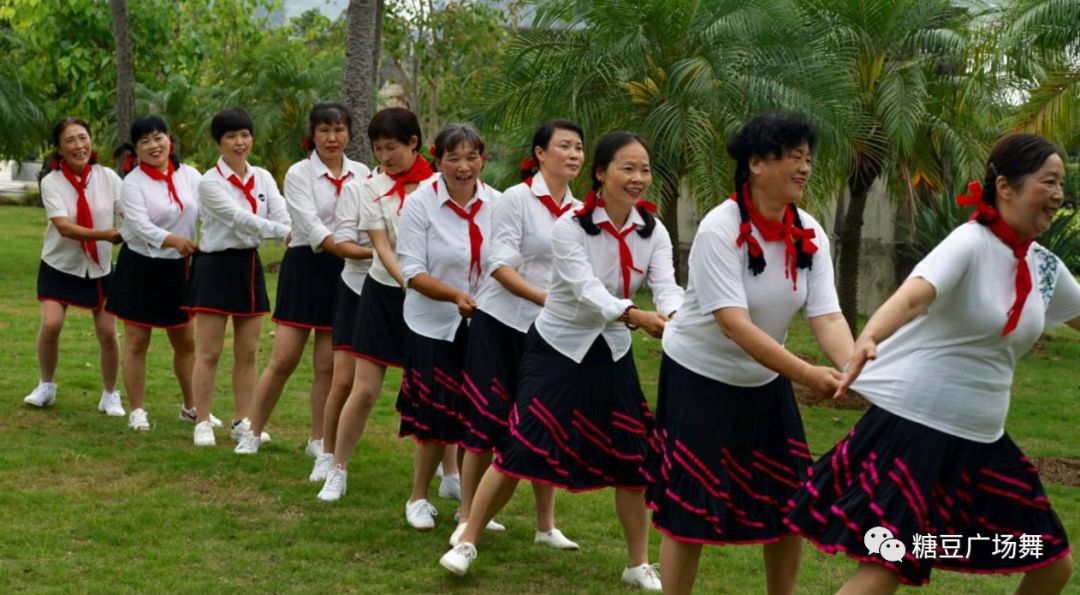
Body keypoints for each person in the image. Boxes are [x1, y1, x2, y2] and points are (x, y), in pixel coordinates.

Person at [785, 132, 1077, 594]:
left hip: (982, 440)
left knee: (1050, 560)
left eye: (1062, 184)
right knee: (889, 563)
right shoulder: (970, 242)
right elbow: (912, 296)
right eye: (1049, 181)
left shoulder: (1043, 267)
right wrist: (870, 336)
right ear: (1005, 187)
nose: (1059, 195)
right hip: (918, 430)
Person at [440, 131, 684, 592]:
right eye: (626, 168)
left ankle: (637, 564)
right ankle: (467, 539)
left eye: (644, 169)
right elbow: (586, 289)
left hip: (611, 349)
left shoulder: (655, 230)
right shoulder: (570, 227)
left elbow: (667, 284)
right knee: (521, 444)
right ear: (601, 173)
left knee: (634, 458)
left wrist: (674, 315)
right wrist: (634, 314)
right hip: (557, 347)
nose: (638, 179)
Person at [642, 112, 853, 595]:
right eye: (792, 157)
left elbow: (827, 316)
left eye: (807, 158)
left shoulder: (810, 232)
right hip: (699, 374)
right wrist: (803, 373)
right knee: (690, 503)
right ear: (756, 163)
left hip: (762, 378)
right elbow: (734, 325)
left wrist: (853, 367)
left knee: (789, 499)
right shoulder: (721, 228)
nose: (804, 168)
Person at [450, 120, 587, 549]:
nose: (574, 154)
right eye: (563, 146)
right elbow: (499, 263)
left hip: (547, 333)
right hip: (499, 322)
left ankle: (545, 527)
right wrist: (543, 298)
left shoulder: (582, 212)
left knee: (540, 423)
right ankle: (467, 516)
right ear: (540, 154)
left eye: (579, 148)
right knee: (487, 421)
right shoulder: (516, 198)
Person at [311, 107, 434, 498]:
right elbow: (381, 246)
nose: (384, 157)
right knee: (363, 389)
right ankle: (338, 467)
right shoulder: (369, 186)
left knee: (436, 389)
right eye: (378, 149)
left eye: (392, 148)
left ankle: (450, 478)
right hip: (384, 291)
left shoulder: (438, 185)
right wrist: (408, 282)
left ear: (414, 143)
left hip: (431, 296)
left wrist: (427, 288)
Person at [235, 102, 370, 455]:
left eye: (339, 130)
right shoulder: (298, 174)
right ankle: (253, 431)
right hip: (308, 265)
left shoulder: (363, 172)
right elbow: (309, 225)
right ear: (312, 134)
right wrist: (361, 251)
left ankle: (318, 439)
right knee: (284, 358)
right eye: (324, 130)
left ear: (349, 134)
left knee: (327, 364)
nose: (332, 137)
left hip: (346, 272)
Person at [394, 123, 500, 530]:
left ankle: (468, 507)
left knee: (481, 415)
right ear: (437, 161)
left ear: (482, 160)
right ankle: (418, 497)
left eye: (471, 157)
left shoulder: (498, 203)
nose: (463, 166)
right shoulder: (419, 204)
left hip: (486, 323)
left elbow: (505, 259)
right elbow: (413, 272)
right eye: (453, 158)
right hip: (433, 324)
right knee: (435, 416)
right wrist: (456, 297)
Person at [185, 108, 291, 446]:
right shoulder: (209, 183)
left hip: (248, 266)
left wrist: (290, 228)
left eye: (244, 135)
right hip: (215, 266)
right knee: (210, 351)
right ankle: (202, 420)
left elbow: (280, 210)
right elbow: (240, 219)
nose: (239, 142)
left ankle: (242, 420)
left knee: (248, 352)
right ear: (219, 142)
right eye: (231, 136)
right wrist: (285, 233)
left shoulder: (262, 176)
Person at [105, 115, 203, 431]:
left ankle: (192, 407)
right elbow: (139, 226)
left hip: (178, 268)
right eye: (145, 141)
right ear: (135, 149)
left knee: (186, 343)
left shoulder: (190, 176)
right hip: (141, 266)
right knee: (136, 342)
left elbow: (211, 208)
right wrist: (174, 240)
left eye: (158, 137)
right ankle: (137, 410)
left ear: (169, 140)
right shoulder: (132, 182)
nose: (153, 145)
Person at [24, 118, 124, 414]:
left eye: (83, 137)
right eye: (70, 140)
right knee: (51, 325)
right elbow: (64, 227)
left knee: (108, 332)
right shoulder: (51, 182)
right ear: (59, 148)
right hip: (60, 263)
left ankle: (110, 394)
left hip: (101, 265)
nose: (79, 145)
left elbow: (128, 214)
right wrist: (106, 234)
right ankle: (46, 385)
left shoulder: (109, 178)